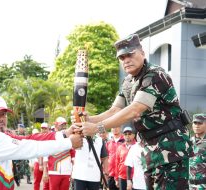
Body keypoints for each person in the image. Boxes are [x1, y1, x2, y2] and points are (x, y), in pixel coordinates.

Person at [74, 33, 193, 189]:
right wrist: (90, 119)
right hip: (151, 151)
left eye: (130, 54)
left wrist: (97, 128)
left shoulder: (155, 75)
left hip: (172, 149)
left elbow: (135, 110)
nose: (126, 60)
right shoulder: (128, 81)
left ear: (142, 53)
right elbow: (115, 110)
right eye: (122, 58)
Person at [0, 94, 82, 190]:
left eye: (3, 114)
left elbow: (29, 139)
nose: (1, 118)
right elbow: (30, 147)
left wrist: (64, 134)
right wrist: (69, 143)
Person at [44, 117, 75, 190]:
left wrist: (73, 172)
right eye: (61, 125)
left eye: (64, 125)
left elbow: (73, 157)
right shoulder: (51, 137)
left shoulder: (70, 138)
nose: (63, 127)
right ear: (56, 126)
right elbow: (45, 156)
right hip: (53, 171)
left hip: (67, 172)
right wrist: (45, 171)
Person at [189, 113, 206, 190]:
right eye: (195, 123)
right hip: (188, 186)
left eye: (200, 123)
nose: (197, 125)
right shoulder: (187, 141)